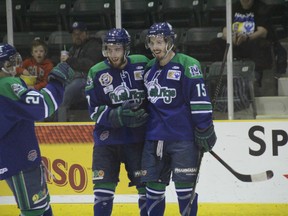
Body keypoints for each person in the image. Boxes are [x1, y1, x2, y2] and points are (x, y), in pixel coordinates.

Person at [141, 22, 217, 216]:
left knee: (185, 192)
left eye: (160, 42)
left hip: (182, 139)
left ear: (170, 42)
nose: (155, 47)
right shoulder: (149, 68)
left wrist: (204, 128)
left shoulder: (188, 64)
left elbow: (199, 99)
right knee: (153, 191)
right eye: (152, 42)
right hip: (155, 139)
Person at [0, 43, 74, 216]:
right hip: (18, 160)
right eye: (10, 63)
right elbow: (42, 107)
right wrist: (57, 83)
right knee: (34, 211)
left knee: (43, 208)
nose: (14, 67)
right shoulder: (6, 85)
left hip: (17, 155)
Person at [85, 28, 149, 216]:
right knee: (102, 194)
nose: (113, 54)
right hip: (107, 141)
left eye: (117, 49)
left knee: (146, 190)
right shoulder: (96, 72)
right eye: (109, 49)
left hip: (137, 140)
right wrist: (117, 116)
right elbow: (93, 110)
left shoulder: (142, 64)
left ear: (126, 49)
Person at [209, 0, 280, 88]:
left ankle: (255, 76)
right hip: (235, 42)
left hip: (251, 41)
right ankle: (219, 76)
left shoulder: (261, 7)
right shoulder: (233, 7)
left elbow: (263, 32)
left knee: (260, 44)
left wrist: (246, 37)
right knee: (215, 43)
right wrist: (231, 38)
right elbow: (225, 30)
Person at [58, 21, 103, 121]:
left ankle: (60, 127)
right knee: (55, 89)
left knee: (64, 94)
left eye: (79, 33)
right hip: (73, 79)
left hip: (87, 79)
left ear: (86, 33)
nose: (77, 36)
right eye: (74, 34)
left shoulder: (94, 45)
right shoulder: (73, 49)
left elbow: (90, 64)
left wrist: (69, 60)